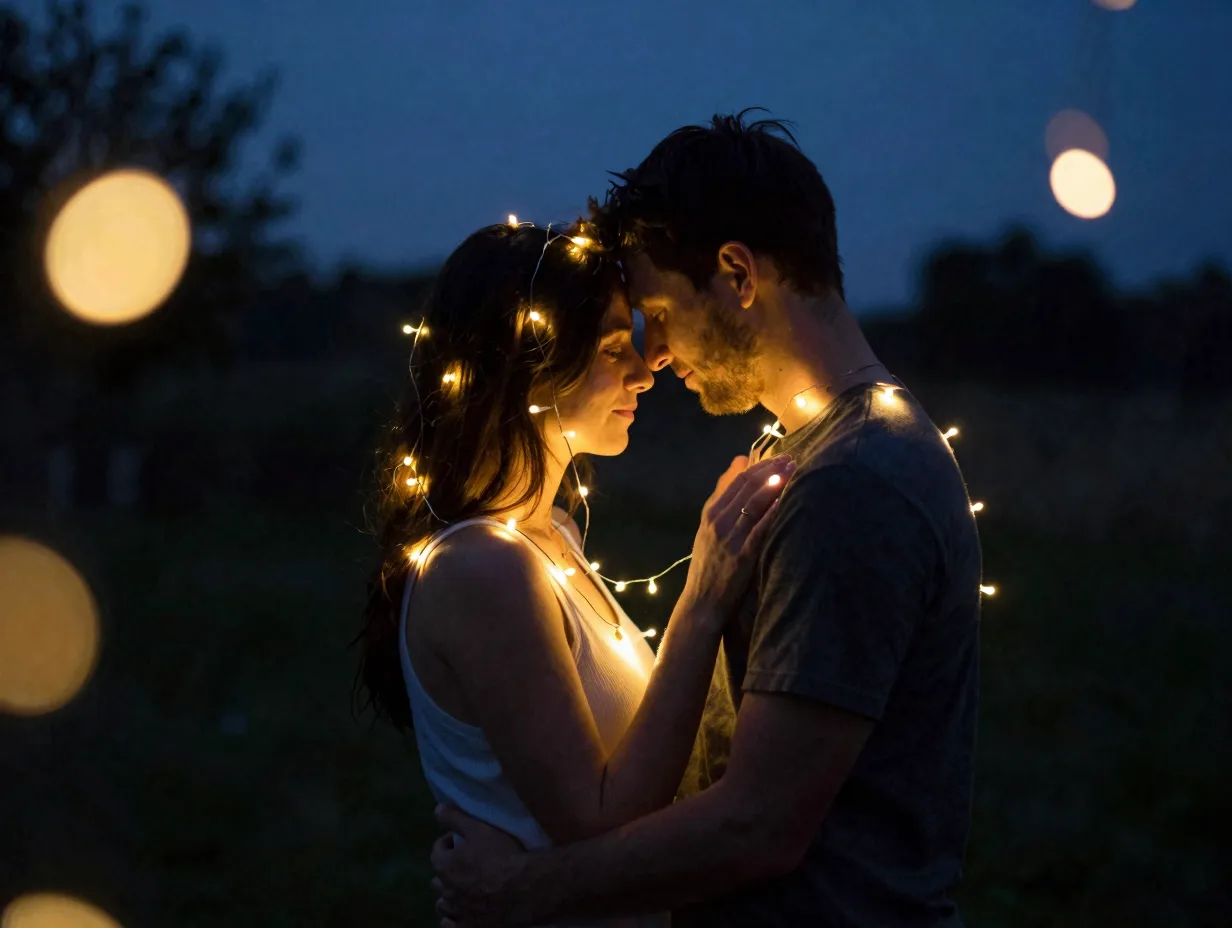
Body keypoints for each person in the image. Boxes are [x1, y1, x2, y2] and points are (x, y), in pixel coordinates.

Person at [430, 112, 984, 927]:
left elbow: (759, 827)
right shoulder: (828, 452)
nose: (652, 354)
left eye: (656, 309)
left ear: (736, 273)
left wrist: (518, 894)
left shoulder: (856, 482)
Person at [354, 220, 793, 928]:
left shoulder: (549, 536)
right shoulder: (480, 568)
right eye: (615, 347)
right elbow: (597, 818)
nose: (646, 370)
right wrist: (703, 599)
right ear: (529, 359)